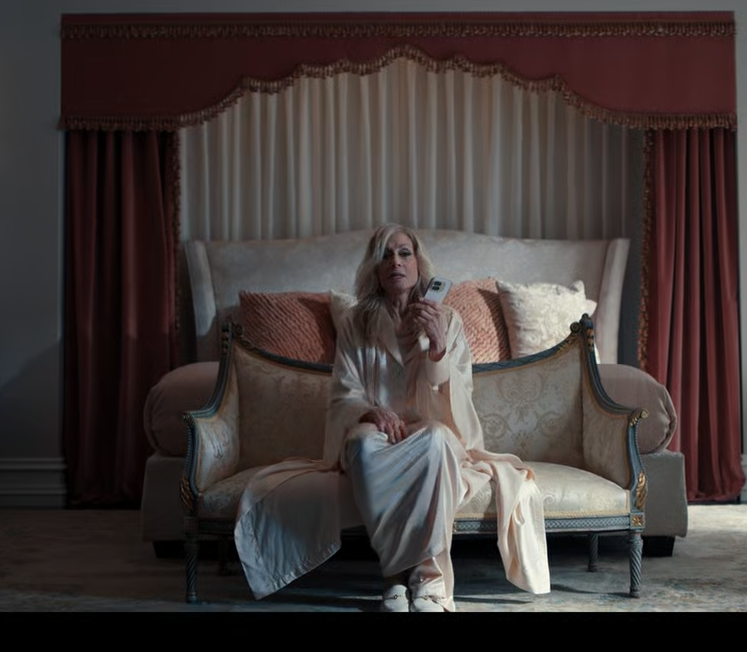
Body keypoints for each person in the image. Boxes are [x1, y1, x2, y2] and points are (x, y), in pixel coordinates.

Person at [233, 223, 550, 612]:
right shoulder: (356, 323)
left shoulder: (448, 319)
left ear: (418, 264)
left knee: (436, 441)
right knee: (362, 445)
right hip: (377, 433)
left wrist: (437, 346)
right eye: (385, 255)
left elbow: (458, 396)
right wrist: (370, 411)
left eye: (404, 253)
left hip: (433, 431)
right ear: (375, 269)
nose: (395, 262)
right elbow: (344, 391)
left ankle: (425, 581)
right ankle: (398, 576)